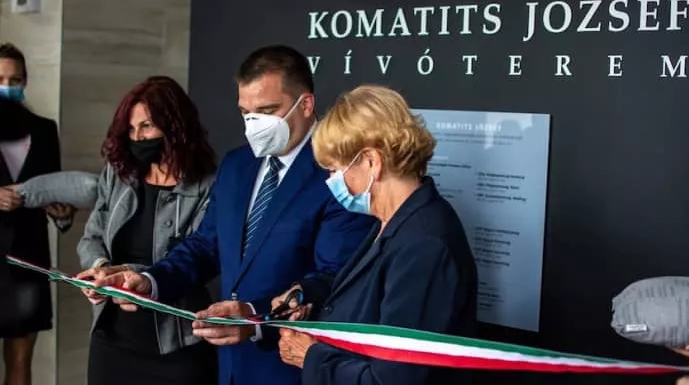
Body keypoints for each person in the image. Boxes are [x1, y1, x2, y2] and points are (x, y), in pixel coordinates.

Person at [93, 45, 376, 385]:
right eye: (246, 112)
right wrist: (152, 281)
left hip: (292, 368)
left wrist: (255, 317)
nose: (255, 124)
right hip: (229, 365)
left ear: (305, 105)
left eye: (267, 110)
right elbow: (205, 246)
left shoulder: (340, 174)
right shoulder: (236, 165)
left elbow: (334, 278)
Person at [272, 85, 478, 385]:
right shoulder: (392, 220)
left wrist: (311, 357)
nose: (331, 180)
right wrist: (307, 294)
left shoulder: (425, 243)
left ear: (372, 161)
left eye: (335, 169)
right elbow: (368, 293)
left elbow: (393, 379)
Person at [74, 76, 218, 385]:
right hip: (112, 341)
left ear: (175, 127)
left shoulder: (209, 185)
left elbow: (195, 258)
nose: (137, 137)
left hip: (178, 345)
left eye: (147, 126)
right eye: (131, 129)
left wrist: (124, 274)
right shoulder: (118, 174)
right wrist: (100, 270)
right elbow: (92, 236)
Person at [0, 43, 74, 385]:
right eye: (0, 79)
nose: (7, 86)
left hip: (27, 261)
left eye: (14, 80)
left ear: (25, 82)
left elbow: (53, 189)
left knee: (20, 361)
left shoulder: (44, 130)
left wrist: (62, 214)